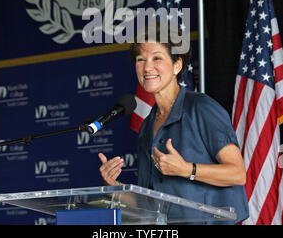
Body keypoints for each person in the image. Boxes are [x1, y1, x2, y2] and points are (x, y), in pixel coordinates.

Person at [98, 24, 249, 224]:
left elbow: (238, 174)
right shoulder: (147, 126)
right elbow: (149, 202)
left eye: (157, 58)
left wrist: (187, 169)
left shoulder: (201, 108)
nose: (147, 67)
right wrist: (114, 186)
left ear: (177, 65)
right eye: (140, 59)